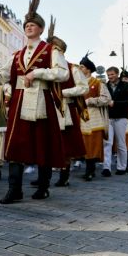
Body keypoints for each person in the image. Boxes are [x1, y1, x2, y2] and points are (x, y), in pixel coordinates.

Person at [0, 0, 69, 203]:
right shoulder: (16, 55)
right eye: (27, 25)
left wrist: (37, 73)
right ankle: (14, 189)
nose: (29, 27)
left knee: (43, 144)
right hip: (18, 102)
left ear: (41, 29)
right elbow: (2, 74)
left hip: (41, 100)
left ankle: (43, 186)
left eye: (33, 25)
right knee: (15, 144)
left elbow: (63, 73)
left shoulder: (50, 50)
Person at [45, 32, 88, 187]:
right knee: (46, 143)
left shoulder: (72, 68)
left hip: (64, 108)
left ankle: (64, 175)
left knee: (65, 144)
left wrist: (62, 94)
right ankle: (45, 177)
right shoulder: (45, 67)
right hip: (45, 107)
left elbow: (84, 88)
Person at [78, 53, 110, 181]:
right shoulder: (77, 82)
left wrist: (90, 101)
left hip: (93, 116)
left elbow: (106, 99)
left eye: (82, 67)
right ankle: (86, 167)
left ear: (88, 69)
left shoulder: (97, 83)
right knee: (82, 142)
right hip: (79, 116)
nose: (80, 69)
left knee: (92, 143)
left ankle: (90, 170)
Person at [102, 66, 128, 176]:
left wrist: (115, 103)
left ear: (117, 74)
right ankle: (106, 168)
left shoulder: (126, 85)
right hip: (108, 117)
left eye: (112, 74)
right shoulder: (104, 86)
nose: (110, 77)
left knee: (121, 143)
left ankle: (121, 167)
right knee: (107, 143)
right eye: (108, 75)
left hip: (121, 117)